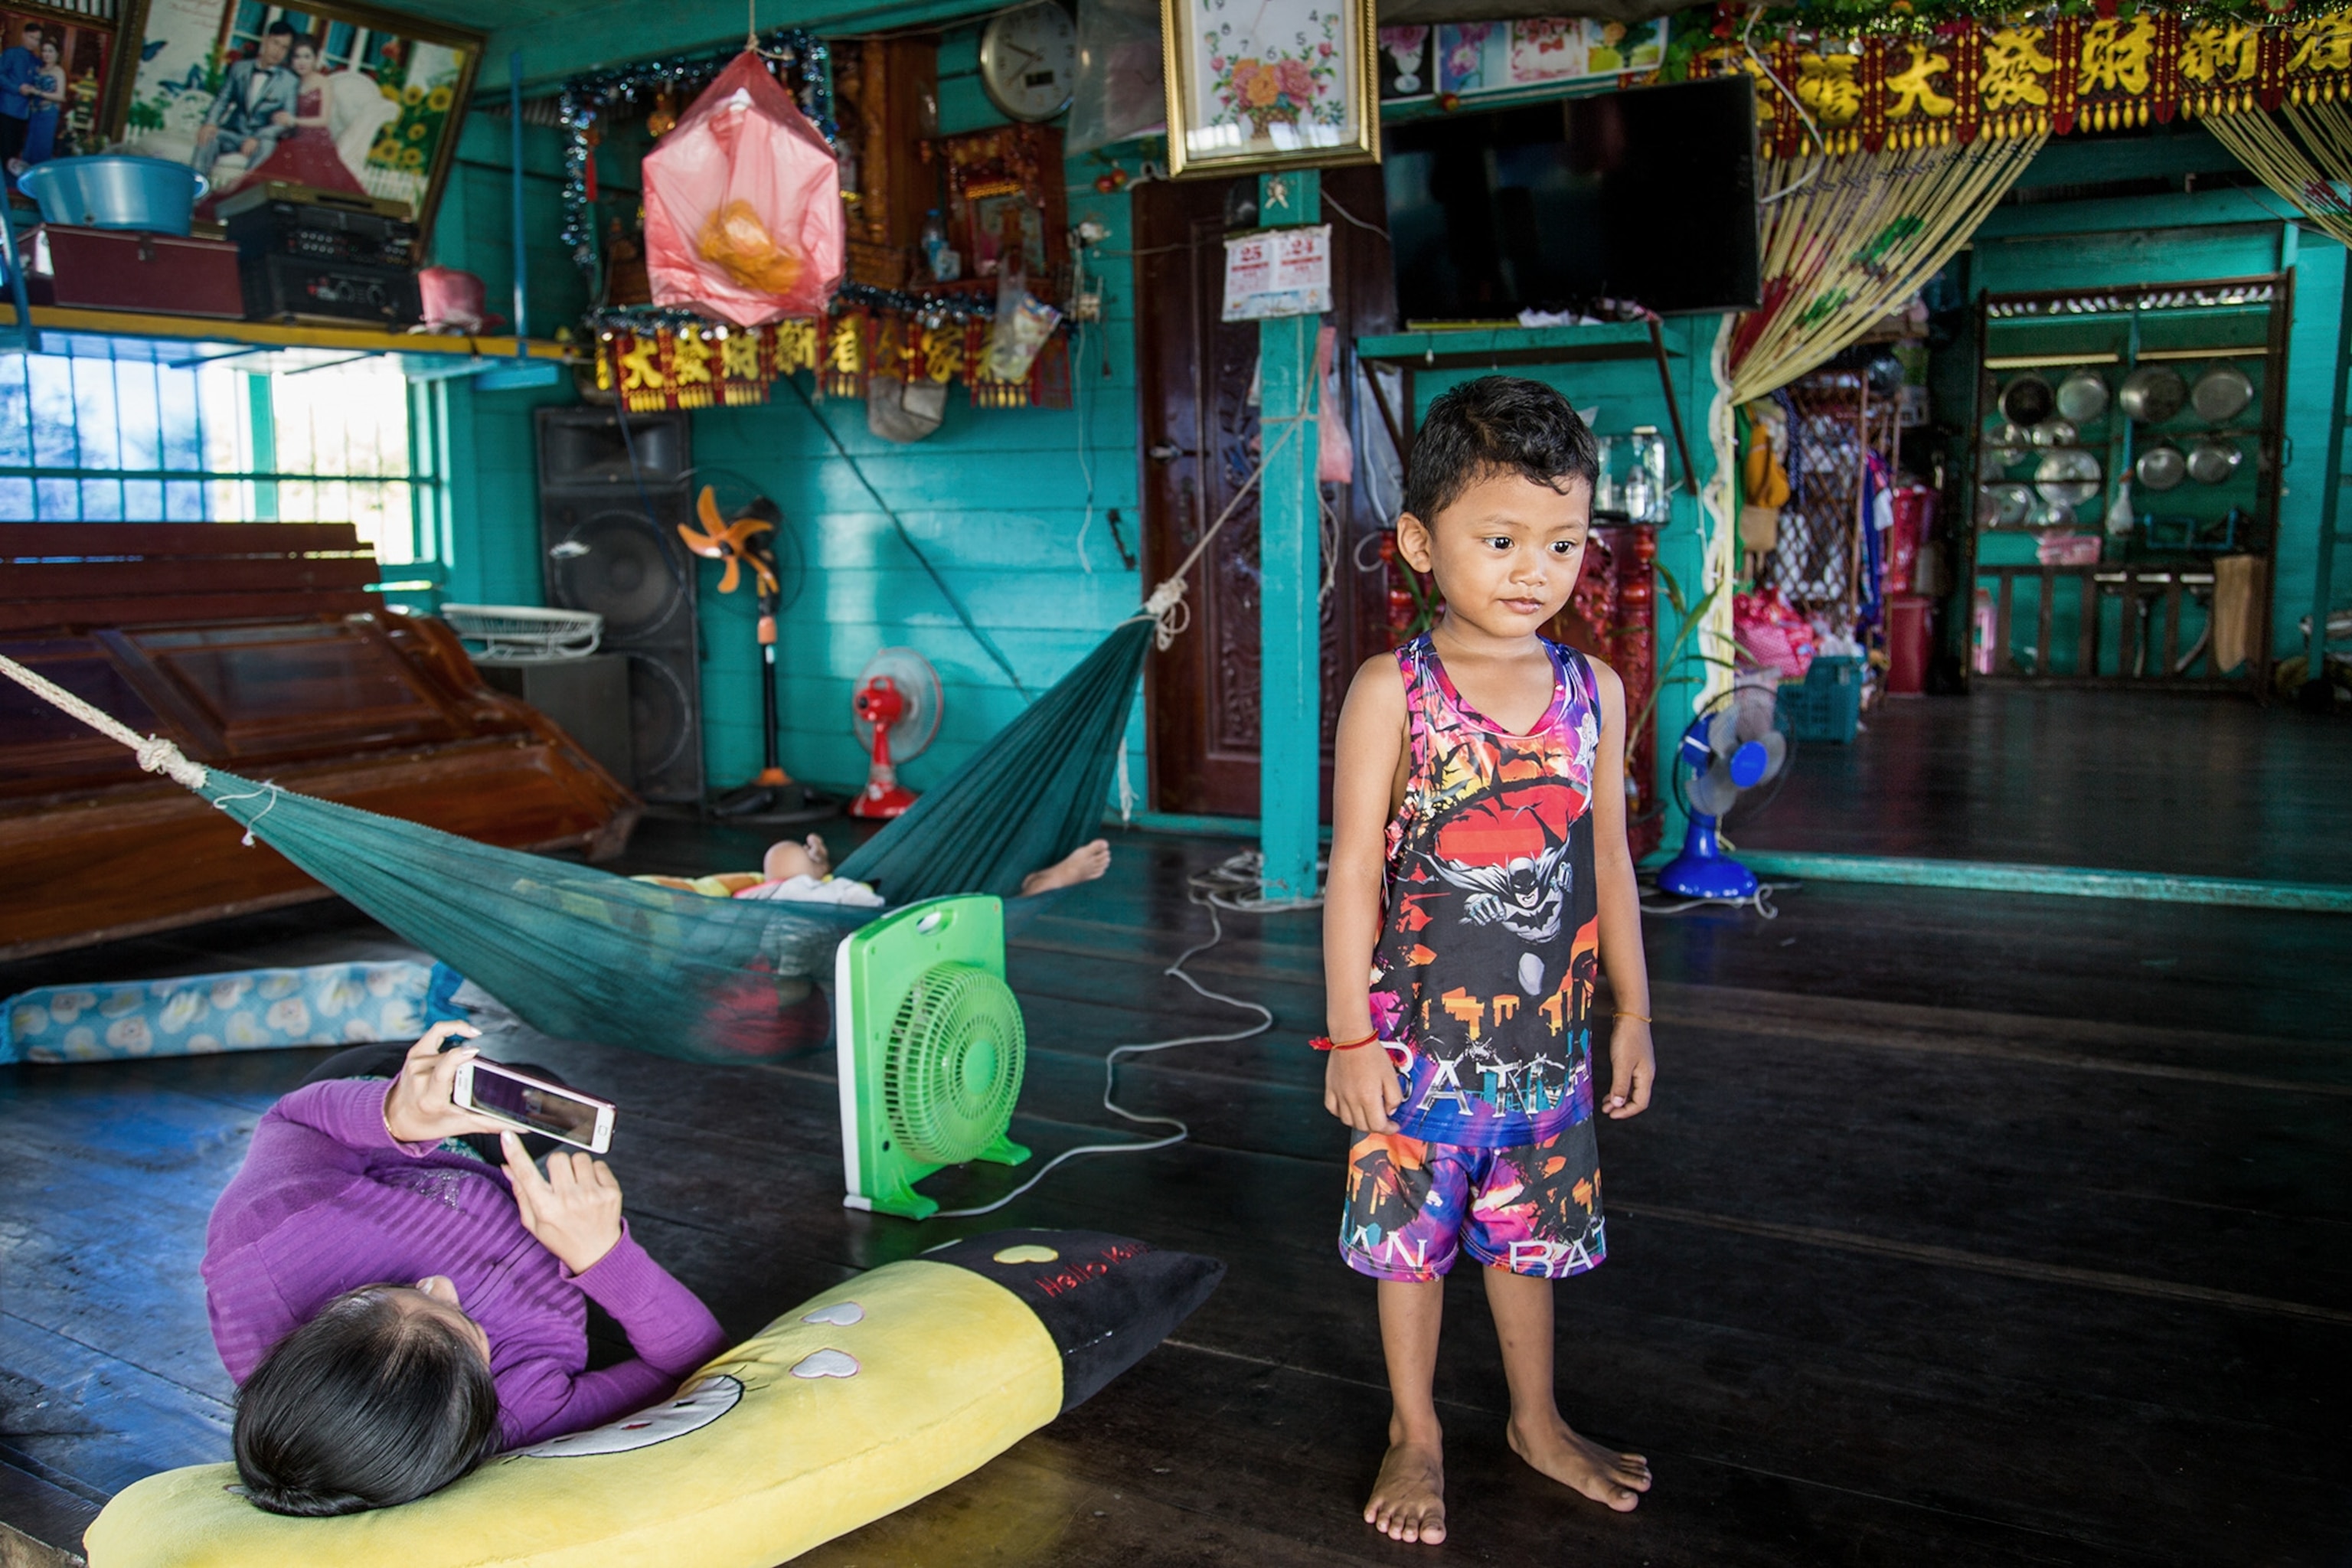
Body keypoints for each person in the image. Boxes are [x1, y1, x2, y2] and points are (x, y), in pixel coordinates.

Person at [1321, 376, 1658, 1546]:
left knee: (1530, 1233)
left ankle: (1535, 1419)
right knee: (1410, 1249)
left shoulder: (1593, 692)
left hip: (1547, 1048)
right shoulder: (1393, 692)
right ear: (1421, 544)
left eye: (1562, 542)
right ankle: (1415, 1429)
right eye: (1501, 539)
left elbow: (1610, 861)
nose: (1534, 570)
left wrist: (1633, 1011)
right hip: (1414, 1047)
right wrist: (1350, 1037)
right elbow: (1351, 874)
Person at [204, 1022, 727, 1515]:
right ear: (482, 1405)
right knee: (556, 1110)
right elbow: (697, 1364)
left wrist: (396, 1114)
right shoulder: (525, 1416)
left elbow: (293, 1121)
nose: (439, 1284)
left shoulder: (269, 1232)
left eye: (379, 1296)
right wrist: (604, 1256)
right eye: (464, 1324)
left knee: (534, 1090)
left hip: (385, 1128)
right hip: (497, 1187)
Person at [730, 832, 1112, 906]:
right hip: (883, 926)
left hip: (824, 961)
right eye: (810, 855)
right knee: (975, 913)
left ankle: (1036, 884)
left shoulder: (750, 897)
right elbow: (857, 898)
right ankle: (1040, 885)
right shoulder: (822, 891)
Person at [246, 35, 367, 195]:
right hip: (292, 137)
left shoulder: (322, 82)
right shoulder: (290, 82)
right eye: (297, 57)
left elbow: (324, 120)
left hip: (317, 141)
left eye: (307, 57)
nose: (301, 62)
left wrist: (293, 120)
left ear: (315, 59)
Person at [193, 20, 298, 187]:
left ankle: (243, 192)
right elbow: (222, 100)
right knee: (209, 135)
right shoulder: (239, 68)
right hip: (233, 133)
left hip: (260, 140)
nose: (278, 51)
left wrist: (258, 137)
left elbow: (287, 122)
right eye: (275, 43)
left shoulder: (290, 82)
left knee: (268, 145)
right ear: (265, 40)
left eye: (284, 48)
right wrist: (210, 123)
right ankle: (196, 191)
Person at [15, 38, 64, 173]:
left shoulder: (58, 72)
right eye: (44, 51)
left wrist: (38, 92)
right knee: (29, 144)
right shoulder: (39, 69)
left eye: (50, 51)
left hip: (48, 113)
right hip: (35, 112)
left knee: (42, 146)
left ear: (57, 54)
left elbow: (60, 96)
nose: (46, 54)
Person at [0, 21, 44, 172]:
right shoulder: (11, 54)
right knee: (4, 150)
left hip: (25, 112)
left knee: (15, 152)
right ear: (23, 35)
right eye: (31, 37)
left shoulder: (36, 61)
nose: (34, 42)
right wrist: (17, 88)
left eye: (37, 40)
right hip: (7, 108)